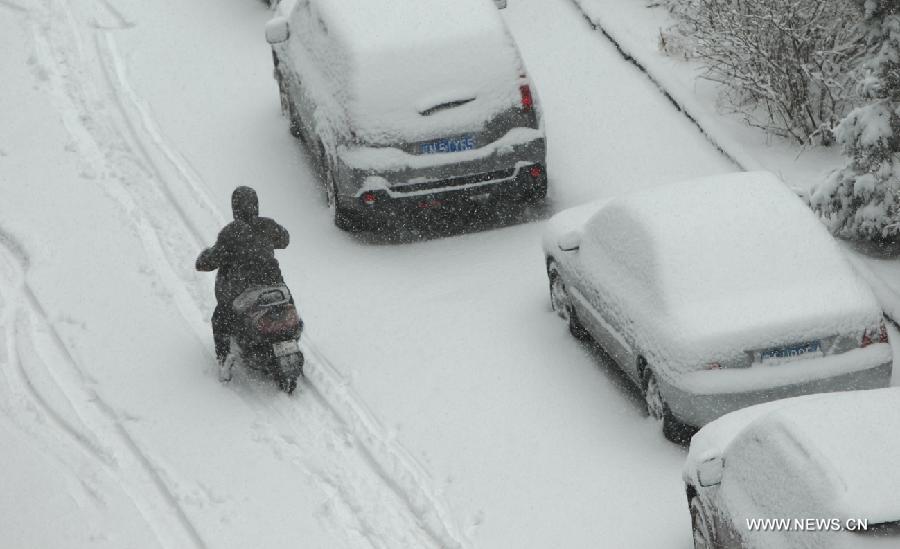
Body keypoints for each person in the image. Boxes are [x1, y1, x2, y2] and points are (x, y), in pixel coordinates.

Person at [196, 186, 290, 380]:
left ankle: (224, 359)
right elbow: (285, 239)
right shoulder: (267, 225)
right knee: (287, 303)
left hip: (247, 290)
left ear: (234, 207)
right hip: (275, 285)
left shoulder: (231, 233)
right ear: (256, 205)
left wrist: (206, 256)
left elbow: (208, 261)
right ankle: (287, 337)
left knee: (220, 317)